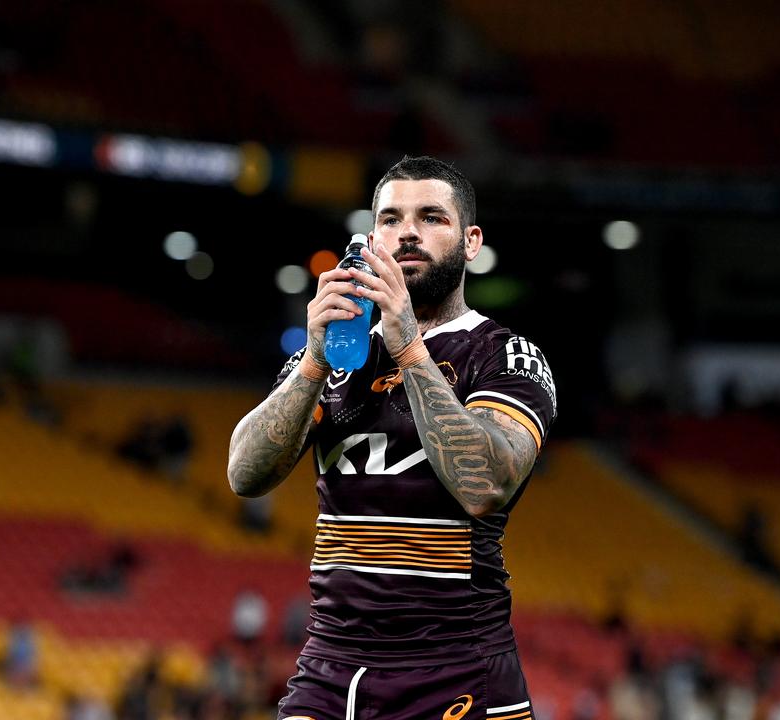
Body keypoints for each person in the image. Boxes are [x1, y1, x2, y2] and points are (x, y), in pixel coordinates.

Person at [228, 156, 557, 719]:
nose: (407, 231)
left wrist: (409, 345)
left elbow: (486, 484)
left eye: (432, 217)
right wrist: (311, 361)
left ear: (471, 241)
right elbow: (244, 474)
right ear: (371, 236)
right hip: (328, 670)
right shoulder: (335, 354)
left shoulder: (502, 355)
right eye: (390, 218)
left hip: (457, 670)